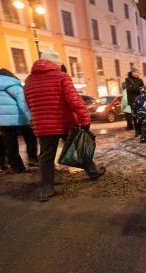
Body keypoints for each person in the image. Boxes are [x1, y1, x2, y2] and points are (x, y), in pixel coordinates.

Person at [24, 49, 105, 201]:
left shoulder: (29, 80)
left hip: (43, 126)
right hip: (64, 122)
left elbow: (29, 103)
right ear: (56, 64)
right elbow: (75, 101)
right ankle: (93, 173)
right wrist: (85, 119)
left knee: (46, 156)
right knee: (78, 148)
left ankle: (47, 188)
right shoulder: (61, 77)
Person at [0, 68, 38, 173]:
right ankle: (32, 158)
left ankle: (17, 168)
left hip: (2, 121)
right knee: (30, 136)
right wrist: (30, 117)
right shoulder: (13, 84)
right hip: (18, 118)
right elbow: (23, 102)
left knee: (10, 144)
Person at [125, 67, 144, 137]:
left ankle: (140, 129)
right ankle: (137, 131)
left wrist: (136, 88)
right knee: (134, 117)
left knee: (141, 116)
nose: (136, 73)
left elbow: (143, 89)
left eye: (137, 72)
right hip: (132, 102)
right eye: (135, 72)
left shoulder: (140, 80)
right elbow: (129, 90)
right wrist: (137, 89)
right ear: (131, 73)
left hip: (140, 101)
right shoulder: (127, 80)